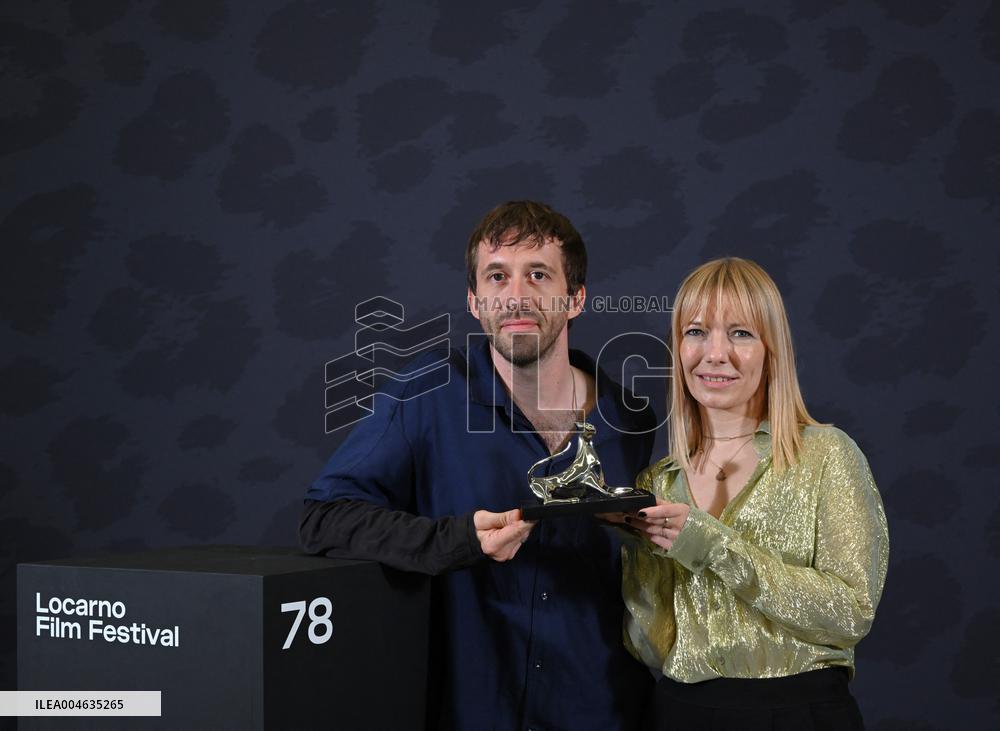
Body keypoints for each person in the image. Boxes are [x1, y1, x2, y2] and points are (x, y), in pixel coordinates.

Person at [300, 201, 656, 730]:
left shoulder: (631, 418)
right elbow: (323, 518)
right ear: (474, 300)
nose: (516, 295)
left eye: (539, 274)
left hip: (601, 712)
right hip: (473, 711)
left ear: (576, 297)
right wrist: (458, 540)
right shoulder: (426, 395)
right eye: (497, 276)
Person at [619, 257, 888, 730]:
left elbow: (850, 613)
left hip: (801, 715)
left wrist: (709, 543)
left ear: (772, 349)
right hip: (682, 714)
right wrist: (633, 544)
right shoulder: (657, 483)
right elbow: (651, 643)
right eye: (696, 331)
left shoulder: (826, 455)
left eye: (740, 332)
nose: (715, 353)